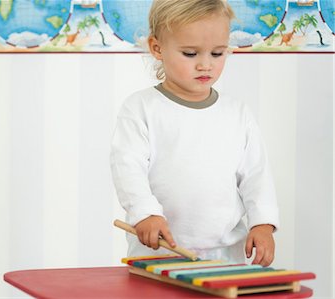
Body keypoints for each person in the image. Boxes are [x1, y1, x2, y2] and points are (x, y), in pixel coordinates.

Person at [110, 0, 279, 266]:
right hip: (159, 252)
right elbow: (127, 168)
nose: (205, 65)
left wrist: (263, 223)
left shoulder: (237, 113)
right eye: (190, 54)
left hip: (225, 256)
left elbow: (256, 175)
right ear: (157, 48)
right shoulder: (141, 108)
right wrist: (144, 213)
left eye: (217, 53)